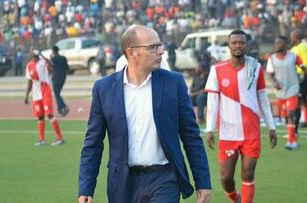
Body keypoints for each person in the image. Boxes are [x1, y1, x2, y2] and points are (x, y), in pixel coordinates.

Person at [78, 25, 211, 203]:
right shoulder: (103, 88)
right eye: (153, 47)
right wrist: (86, 187)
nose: (161, 51)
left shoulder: (174, 83)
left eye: (160, 45)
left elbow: (191, 136)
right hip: (122, 183)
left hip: (164, 179)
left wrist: (203, 182)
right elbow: (93, 144)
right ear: (131, 52)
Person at [205, 30, 277, 203]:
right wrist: (209, 130)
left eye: (241, 42)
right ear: (229, 45)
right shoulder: (217, 70)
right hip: (228, 133)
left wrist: (272, 126)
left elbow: (263, 99)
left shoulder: (255, 68)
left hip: (251, 132)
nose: (238, 45)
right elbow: (213, 102)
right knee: (225, 178)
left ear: (247, 45)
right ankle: (235, 198)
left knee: (248, 173)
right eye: (234, 42)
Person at [266, 36, 307, 150]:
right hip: (280, 92)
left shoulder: (293, 56)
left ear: (285, 45)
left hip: (293, 89)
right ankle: (294, 139)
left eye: (279, 43)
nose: (277, 45)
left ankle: (290, 141)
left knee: (290, 114)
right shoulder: (272, 58)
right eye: (276, 43)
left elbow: (304, 68)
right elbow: (270, 74)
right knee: (285, 115)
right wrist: (274, 82)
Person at [24, 49, 65, 146]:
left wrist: (43, 56)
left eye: (37, 56)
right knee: (40, 116)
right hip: (36, 92)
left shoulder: (43, 62)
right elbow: (29, 81)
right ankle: (42, 140)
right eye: (34, 55)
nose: (35, 57)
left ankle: (60, 138)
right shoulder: (29, 65)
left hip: (45, 89)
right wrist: (26, 96)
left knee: (49, 114)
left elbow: (51, 65)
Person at [290, 29, 307, 136]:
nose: (291, 38)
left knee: (301, 103)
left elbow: (305, 63)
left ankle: (295, 131)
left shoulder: (303, 47)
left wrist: (302, 74)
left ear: (295, 37)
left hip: (302, 78)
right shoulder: (294, 49)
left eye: (292, 36)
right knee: (303, 102)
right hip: (296, 78)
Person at [50, 45, 70, 116]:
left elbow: (50, 65)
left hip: (56, 78)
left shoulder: (54, 58)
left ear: (53, 51)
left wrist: (51, 58)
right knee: (57, 94)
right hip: (63, 78)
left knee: (57, 94)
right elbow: (67, 68)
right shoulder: (63, 58)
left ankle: (64, 107)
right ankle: (60, 110)